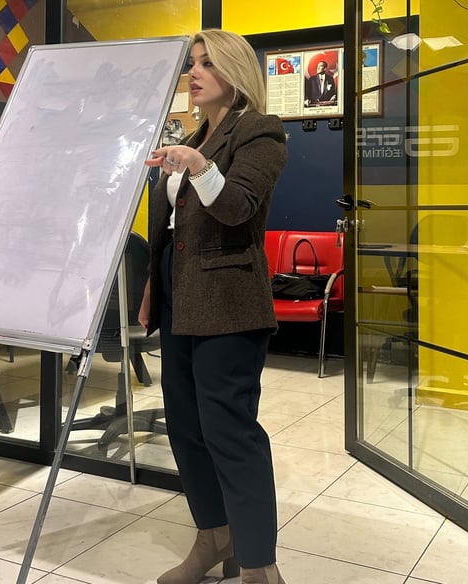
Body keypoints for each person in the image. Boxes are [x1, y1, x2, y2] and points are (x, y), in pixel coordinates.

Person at [140, 30, 288, 584]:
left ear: (235, 71)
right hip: (178, 298)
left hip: (229, 302)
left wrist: (199, 167)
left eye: (207, 64)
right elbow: (170, 228)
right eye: (192, 64)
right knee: (185, 426)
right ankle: (214, 537)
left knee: (230, 431)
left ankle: (259, 567)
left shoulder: (260, 132)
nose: (194, 73)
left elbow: (238, 207)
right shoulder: (191, 135)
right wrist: (151, 288)